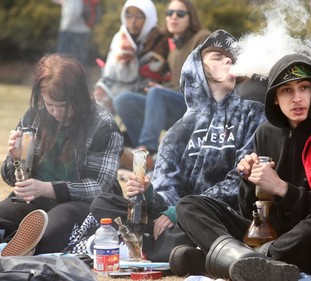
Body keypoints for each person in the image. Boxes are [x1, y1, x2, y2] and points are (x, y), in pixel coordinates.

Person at [171, 54, 311, 281]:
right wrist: (249, 180)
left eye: (304, 87)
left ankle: (232, 262)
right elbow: (251, 215)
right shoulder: (266, 133)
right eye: (286, 90)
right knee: (189, 205)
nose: (297, 98)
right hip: (272, 238)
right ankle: (249, 263)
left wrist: (282, 189)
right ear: (275, 97)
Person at [70, 30, 266, 262]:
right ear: (197, 67)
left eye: (231, 59)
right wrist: (148, 193)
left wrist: (178, 212)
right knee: (104, 202)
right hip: (173, 222)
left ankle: (144, 245)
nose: (227, 61)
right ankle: (169, 248)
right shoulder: (179, 129)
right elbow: (166, 188)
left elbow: (239, 183)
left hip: (218, 217)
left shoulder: (252, 114)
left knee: (188, 215)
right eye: (217, 56)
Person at [0, 54, 124, 255]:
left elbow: (99, 187)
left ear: (79, 98)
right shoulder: (35, 116)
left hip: (84, 206)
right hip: (37, 202)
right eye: (50, 105)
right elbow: (12, 179)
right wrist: (16, 159)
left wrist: (48, 188)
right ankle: (11, 247)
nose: (57, 113)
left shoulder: (102, 125)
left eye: (64, 106)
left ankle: (19, 251)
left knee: (50, 233)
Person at [115, 0, 211, 168]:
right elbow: (175, 84)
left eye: (180, 14)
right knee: (123, 99)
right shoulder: (174, 50)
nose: (173, 17)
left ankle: (147, 149)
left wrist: (161, 91)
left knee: (156, 94)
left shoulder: (201, 38)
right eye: (169, 13)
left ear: (191, 17)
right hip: (179, 105)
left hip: (199, 109)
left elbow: (204, 83)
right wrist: (160, 88)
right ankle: (144, 160)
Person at [93, 0, 169, 115]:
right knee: (98, 104)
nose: (133, 21)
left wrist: (135, 61)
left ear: (149, 17)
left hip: (147, 90)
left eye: (139, 16)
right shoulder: (121, 38)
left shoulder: (159, 39)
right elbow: (110, 73)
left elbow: (158, 72)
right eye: (129, 16)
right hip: (118, 86)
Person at [53, 0, 92, 66]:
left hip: (72, 31)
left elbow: (75, 10)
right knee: (78, 62)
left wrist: (65, 25)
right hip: (79, 31)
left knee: (65, 62)